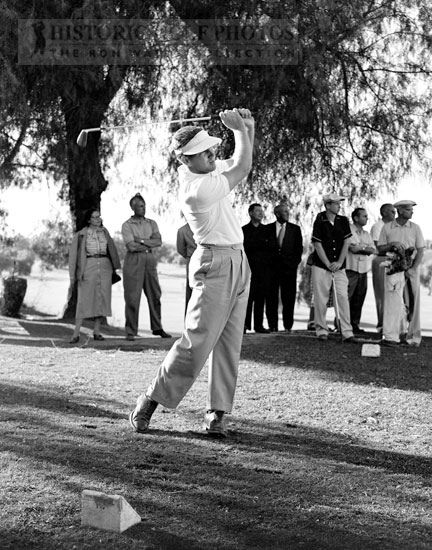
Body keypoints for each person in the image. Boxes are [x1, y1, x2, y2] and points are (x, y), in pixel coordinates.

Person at [129, 108, 254, 438]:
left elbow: (244, 162)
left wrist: (249, 127)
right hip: (215, 262)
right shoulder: (196, 190)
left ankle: (217, 414)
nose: (214, 155)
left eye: (213, 150)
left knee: (230, 343)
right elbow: (240, 166)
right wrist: (239, 130)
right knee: (198, 341)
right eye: (206, 152)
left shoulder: (208, 173)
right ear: (187, 160)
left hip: (238, 260)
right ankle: (151, 399)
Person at [121, 193, 171, 340]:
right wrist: (148, 242)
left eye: (144, 206)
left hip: (149, 260)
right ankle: (131, 331)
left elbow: (158, 242)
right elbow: (131, 246)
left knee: (155, 294)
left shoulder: (151, 223)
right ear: (133, 208)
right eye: (140, 206)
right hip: (133, 261)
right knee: (132, 297)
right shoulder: (127, 225)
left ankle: (157, 328)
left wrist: (141, 241)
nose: (143, 209)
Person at [68, 208, 121, 343]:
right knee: (83, 301)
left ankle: (97, 332)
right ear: (88, 220)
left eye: (99, 217)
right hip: (88, 267)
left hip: (104, 267)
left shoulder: (105, 232)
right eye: (95, 217)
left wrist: (114, 267)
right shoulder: (81, 235)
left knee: (102, 299)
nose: (98, 219)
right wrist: (73, 276)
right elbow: (73, 257)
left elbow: (112, 250)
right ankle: (76, 334)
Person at [377, 200, 425, 347]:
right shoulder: (387, 228)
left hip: (412, 270)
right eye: (409, 210)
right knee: (392, 302)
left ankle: (413, 338)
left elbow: (421, 250)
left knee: (414, 301)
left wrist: (413, 268)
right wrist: (391, 245)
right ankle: (391, 336)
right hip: (393, 269)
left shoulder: (415, 228)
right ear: (401, 211)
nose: (412, 212)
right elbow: (380, 249)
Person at [311, 192, 357, 343]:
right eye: (336, 203)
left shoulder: (343, 220)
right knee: (321, 298)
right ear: (328, 205)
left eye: (339, 203)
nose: (339, 206)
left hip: (339, 266)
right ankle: (321, 330)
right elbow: (317, 244)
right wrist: (327, 264)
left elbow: (347, 242)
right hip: (321, 265)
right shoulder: (319, 219)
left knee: (342, 297)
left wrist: (339, 262)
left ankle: (347, 331)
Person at [266, 203, 303, 332]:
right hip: (271, 271)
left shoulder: (295, 229)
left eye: (288, 211)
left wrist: (293, 265)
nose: (288, 214)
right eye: (285, 212)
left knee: (289, 298)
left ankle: (288, 326)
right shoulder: (267, 229)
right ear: (277, 214)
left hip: (289, 270)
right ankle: (273, 326)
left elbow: (299, 250)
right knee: (271, 298)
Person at [242, 203, 271, 333]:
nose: (261, 213)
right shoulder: (243, 230)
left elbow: (271, 251)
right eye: (257, 211)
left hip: (263, 271)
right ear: (250, 213)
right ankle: (244, 324)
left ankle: (258, 325)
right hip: (247, 270)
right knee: (246, 299)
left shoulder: (267, 231)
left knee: (260, 298)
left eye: (262, 211)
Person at [346, 208, 375, 333]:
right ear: (356, 218)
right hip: (350, 269)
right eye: (364, 216)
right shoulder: (348, 230)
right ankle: (342, 324)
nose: (366, 218)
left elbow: (372, 250)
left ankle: (354, 325)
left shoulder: (366, 234)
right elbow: (353, 249)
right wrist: (365, 247)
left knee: (359, 298)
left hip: (363, 270)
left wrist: (361, 247)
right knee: (347, 298)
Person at [370, 203, 396, 333]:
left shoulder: (393, 227)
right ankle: (381, 325)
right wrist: (393, 245)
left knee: (393, 292)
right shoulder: (377, 227)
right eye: (392, 211)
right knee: (381, 293)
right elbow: (379, 247)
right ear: (384, 213)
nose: (394, 214)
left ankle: (392, 324)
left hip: (393, 260)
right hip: (381, 259)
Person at [176, 220, 197, 314]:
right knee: (191, 292)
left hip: (195, 260)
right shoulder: (182, 231)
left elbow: (181, 250)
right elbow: (181, 250)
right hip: (192, 261)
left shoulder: (182, 230)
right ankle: (189, 324)